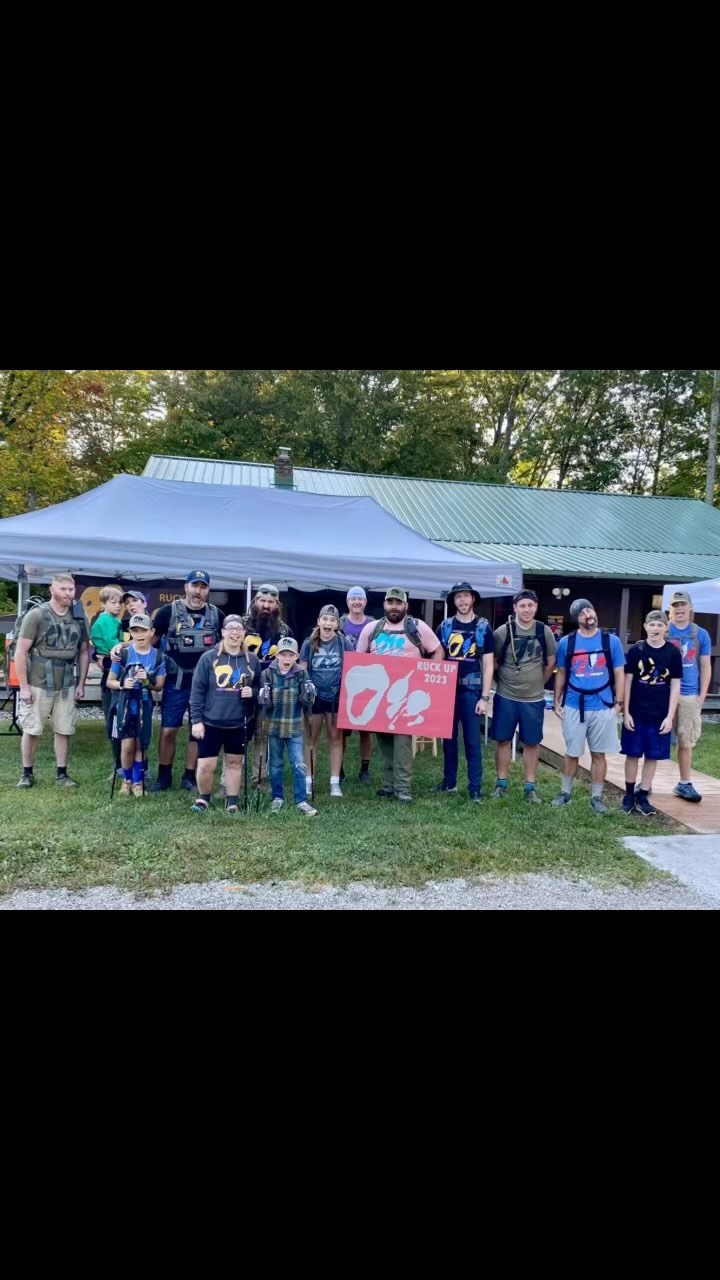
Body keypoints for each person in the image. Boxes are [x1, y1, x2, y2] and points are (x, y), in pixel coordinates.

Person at [357, 588, 443, 804]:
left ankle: (403, 788)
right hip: (380, 693)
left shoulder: (417, 627)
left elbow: (438, 650)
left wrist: (428, 674)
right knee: (384, 740)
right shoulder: (371, 628)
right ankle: (389, 784)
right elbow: (358, 661)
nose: (394, 607)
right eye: (390, 602)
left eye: (398, 603)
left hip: (407, 692)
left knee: (402, 741)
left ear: (406, 605)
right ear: (384, 604)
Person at [148, 571, 225, 793]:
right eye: (194, 586)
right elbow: (148, 642)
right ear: (186, 587)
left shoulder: (217, 615)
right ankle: (164, 776)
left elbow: (226, 647)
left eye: (203, 587)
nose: (198, 591)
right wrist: (123, 650)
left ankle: (189, 776)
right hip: (175, 681)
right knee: (168, 730)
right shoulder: (167, 612)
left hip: (204, 685)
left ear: (208, 590)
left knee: (197, 731)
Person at [14, 573, 90, 789]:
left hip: (66, 683)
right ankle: (27, 773)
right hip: (38, 682)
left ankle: (61, 774)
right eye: (64, 589)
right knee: (32, 728)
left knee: (65, 729)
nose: (68, 593)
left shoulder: (77, 615)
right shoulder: (37, 615)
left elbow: (84, 651)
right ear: (52, 590)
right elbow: (20, 652)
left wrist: (81, 683)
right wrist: (24, 687)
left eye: (71, 589)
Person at [552, 598, 626, 814]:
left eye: (590, 609)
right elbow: (562, 672)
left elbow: (619, 673)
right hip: (575, 703)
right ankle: (565, 793)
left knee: (598, 754)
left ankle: (597, 796)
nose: (588, 614)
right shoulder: (567, 642)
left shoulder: (611, 641)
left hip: (603, 705)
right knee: (572, 752)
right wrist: (558, 699)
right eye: (582, 612)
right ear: (577, 619)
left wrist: (619, 702)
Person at [189, 615, 261, 815]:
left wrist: (252, 694)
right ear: (222, 632)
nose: (235, 632)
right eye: (230, 629)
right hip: (210, 721)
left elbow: (260, 690)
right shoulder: (209, 658)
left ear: (244, 634)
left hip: (239, 722)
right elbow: (197, 691)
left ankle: (232, 801)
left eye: (239, 629)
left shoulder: (252, 661)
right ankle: (203, 798)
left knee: (234, 762)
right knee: (206, 765)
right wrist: (196, 721)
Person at [491, 589, 557, 803]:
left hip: (533, 699)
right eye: (522, 606)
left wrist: (538, 682)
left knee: (531, 742)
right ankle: (501, 784)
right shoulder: (503, 631)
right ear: (515, 608)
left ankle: (530, 787)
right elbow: (494, 662)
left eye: (530, 605)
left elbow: (551, 662)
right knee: (503, 740)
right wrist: (500, 683)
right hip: (506, 696)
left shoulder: (543, 631)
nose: (526, 609)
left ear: (536, 607)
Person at [435, 581, 495, 802]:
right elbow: (438, 657)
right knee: (448, 740)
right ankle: (449, 782)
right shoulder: (445, 626)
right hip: (448, 691)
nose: (462, 600)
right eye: (458, 596)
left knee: (472, 741)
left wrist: (485, 697)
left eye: (466, 596)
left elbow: (489, 664)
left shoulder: (483, 628)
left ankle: (475, 787)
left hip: (471, 691)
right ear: (454, 600)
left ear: (473, 599)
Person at [620, 610, 682, 816]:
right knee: (632, 753)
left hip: (659, 713)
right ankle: (629, 794)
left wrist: (670, 716)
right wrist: (626, 711)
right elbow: (628, 681)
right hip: (636, 712)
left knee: (652, 756)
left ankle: (643, 794)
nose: (655, 629)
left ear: (666, 628)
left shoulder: (673, 653)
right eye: (652, 625)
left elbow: (675, 685)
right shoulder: (636, 650)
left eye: (660, 625)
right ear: (645, 627)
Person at [107, 614, 166, 797]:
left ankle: (138, 781)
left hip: (144, 704)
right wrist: (124, 684)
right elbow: (110, 681)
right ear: (130, 632)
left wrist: (146, 681)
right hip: (126, 704)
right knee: (127, 745)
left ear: (152, 632)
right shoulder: (123, 654)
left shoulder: (157, 656)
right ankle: (126, 780)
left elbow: (158, 686)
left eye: (144, 630)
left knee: (141, 744)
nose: (139, 634)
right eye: (135, 630)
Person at [258, 637, 318, 816]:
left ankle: (301, 799)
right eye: (283, 655)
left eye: (290, 655)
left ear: (296, 656)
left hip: (294, 726)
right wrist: (263, 697)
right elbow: (265, 705)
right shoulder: (267, 674)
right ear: (276, 656)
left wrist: (309, 694)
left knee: (298, 764)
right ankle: (278, 797)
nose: (286, 659)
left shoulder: (301, 673)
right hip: (274, 726)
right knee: (275, 764)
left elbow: (305, 702)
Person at [242, 584, 295, 786]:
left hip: (270, 691)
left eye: (270, 602)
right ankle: (229, 781)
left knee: (263, 737)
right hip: (243, 688)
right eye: (262, 601)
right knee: (239, 735)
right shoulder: (241, 625)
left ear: (277, 605)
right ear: (255, 601)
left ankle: (259, 779)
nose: (265, 605)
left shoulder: (284, 631)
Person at [300, 604, 352, 798]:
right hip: (314, 698)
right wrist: (305, 690)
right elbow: (302, 669)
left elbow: (352, 667)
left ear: (337, 624)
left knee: (336, 738)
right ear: (319, 621)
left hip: (336, 696)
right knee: (311, 739)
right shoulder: (308, 643)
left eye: (332, 620)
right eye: (325, 619)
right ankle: (309, 779)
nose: (328, 623)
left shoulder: (343, 643)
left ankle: (334, 782)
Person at [666, 590, 712, 803]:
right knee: (655, 738)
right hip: (663, 693)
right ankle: (644, 783)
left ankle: (684, 783)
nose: (679, 608)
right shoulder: (663, 630)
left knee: (685, 740)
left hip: (688, 694)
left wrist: (701, 696)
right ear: (670, 609)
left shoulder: (700, 633)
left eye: (683, 604)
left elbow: (705, 666)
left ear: (690, 607)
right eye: (675, 605)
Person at [339, 586, 375, 783]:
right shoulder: (340, 623)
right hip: (344, 680)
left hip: (367, 681)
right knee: (342, 731)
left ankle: (365, 769)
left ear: (365, 602)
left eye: (360, 599)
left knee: (365, 729)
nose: (356, 602)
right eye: (353, 599)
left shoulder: (373, 624)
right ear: (348, 602)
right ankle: (340, 768)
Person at [89, 585, 124, 731]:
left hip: (109, 659)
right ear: (103, 604)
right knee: (112, 700)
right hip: (110, 660)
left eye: (119, 603)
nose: (118, 606)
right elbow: (113, 644)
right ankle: (115, 731)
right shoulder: (106, 620)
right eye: (113, 602)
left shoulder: (113, 620)